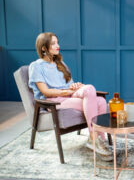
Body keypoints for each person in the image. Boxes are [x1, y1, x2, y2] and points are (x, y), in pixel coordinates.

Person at [28, 32, 113, 161]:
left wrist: (76, 86)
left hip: (68, 95)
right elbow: (45, 92)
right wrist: (65, 92)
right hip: (53, 101)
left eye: (57, 42)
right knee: (97, 99)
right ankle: (95, 138)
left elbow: (70, 85)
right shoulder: (36, 66)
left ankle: (99, 140)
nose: (58, 46)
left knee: (96, 95)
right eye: (53, 43)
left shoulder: (60, 63)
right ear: (44, 48)